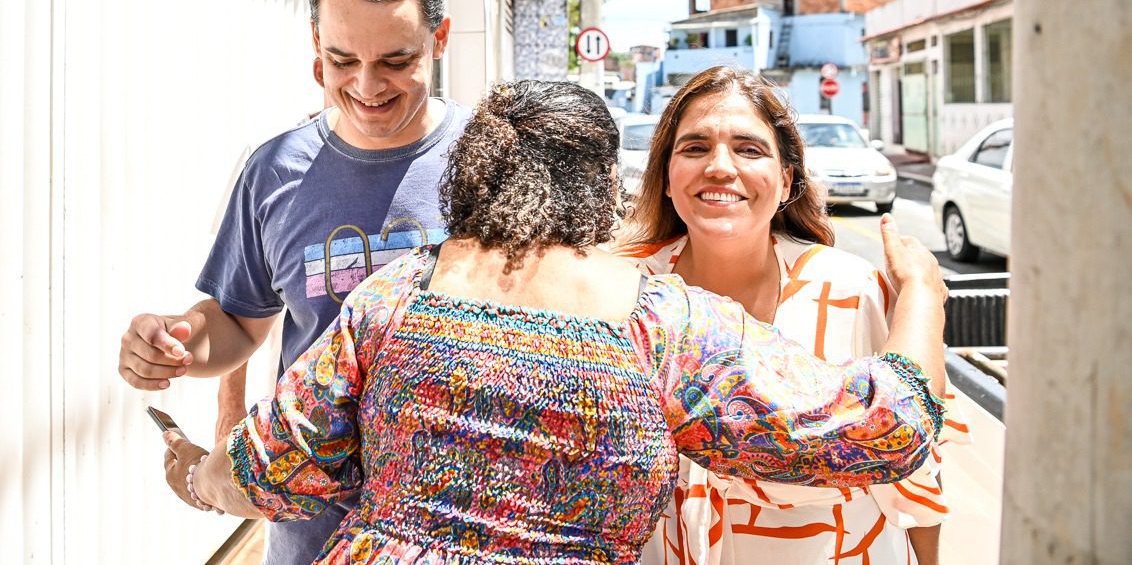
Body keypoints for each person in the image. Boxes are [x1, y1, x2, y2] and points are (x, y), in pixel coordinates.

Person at [162, 81, 949, 563]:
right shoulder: (661, 323)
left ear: (469, 174)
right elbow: (886, 431)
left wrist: (194, 475)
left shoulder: (394, 295)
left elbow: (268, 467)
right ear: (605, 182)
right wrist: (922, 296)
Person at [118, 0, 468, 565]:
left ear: (439, 38)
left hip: (460, 531)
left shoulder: (491, 161)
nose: (368, 85)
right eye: (342, 61)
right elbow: (237, 324)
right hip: (311, 535)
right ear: (315, 44)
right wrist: (173, 343)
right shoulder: (275, 171)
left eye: (396, 60)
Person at [614, 65, 963, 565]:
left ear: (785, 181)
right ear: (667, 179)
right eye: (694, 148)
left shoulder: (851, 290)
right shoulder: (621, 295)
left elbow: (918, 460)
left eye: (748, 149)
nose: (719, 166)